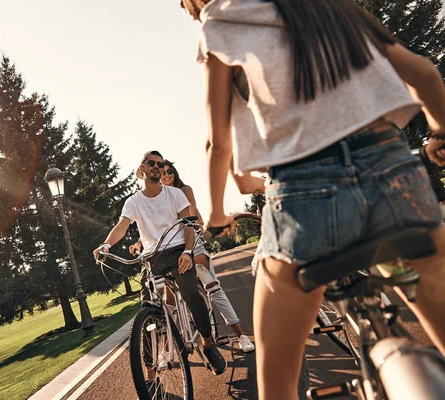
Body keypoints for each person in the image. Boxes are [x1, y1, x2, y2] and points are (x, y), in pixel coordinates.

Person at [178, 1, 445, 399]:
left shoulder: (220, 22)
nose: (190, 13)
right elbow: (423, 73)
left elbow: (219, 144)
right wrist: (439, 133)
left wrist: (216, 213)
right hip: (394, 174)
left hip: (304, 195)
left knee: (278, 385)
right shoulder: (327, 5)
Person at [93, 150, 227, 376]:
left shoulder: (174, 194)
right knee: (147, 309)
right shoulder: (133, 201)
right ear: (142, 168)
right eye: (151, 163)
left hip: (178, 251)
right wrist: (106, 245)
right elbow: (122, 226)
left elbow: (188, 223)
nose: (157, 167)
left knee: (189, 291)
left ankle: (208, 343)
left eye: (160, 164)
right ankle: (150, 369)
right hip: (153, 257)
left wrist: (187, 251)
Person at [130, 159, 257, 353]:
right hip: (167, 249)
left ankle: (241, 334)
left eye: (169, 171)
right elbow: (151, 229)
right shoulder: (152, 199)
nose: (166, 175)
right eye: (163, 173)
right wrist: (139, 243)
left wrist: (201, 224)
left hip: (190, 239)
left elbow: (192, 212)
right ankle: (166, 349)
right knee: (168, 300)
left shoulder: (182, 191)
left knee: (211, 285)